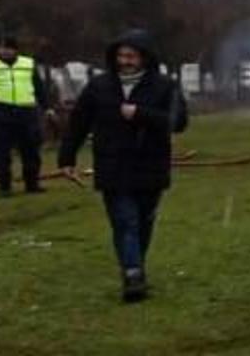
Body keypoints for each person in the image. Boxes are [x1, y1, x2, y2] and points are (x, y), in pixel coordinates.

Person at [58, 30, 188, 303]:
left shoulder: (165, 86)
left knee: (143, 222)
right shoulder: (99, 86)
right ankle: (132, 274)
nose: (125, 61)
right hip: (112, 164)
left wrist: (141, 114)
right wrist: (67, 158)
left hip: (150, 164)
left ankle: (135, 265)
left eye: (131, 56)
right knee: (124, 220)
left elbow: (178, 122)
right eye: (121, 55)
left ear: (144, 57)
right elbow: (79, 122)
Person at [0, 36, 56, 196]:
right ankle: (4, 185)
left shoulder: (28, 64)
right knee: (0, 151)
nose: (4, 51)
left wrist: (48, 107)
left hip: (26, 110)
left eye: (8, 47)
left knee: (31, 150)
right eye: (0, 47)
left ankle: (32, 184)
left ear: (15, 49)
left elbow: (39, 88)